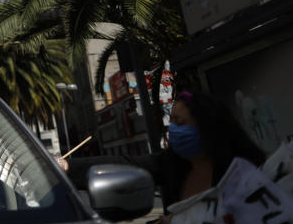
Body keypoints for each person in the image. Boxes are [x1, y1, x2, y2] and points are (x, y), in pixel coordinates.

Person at [65, 91, 265, 214]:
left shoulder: (246, 168)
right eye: (172, 122)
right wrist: (68, 166)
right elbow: (124, 164)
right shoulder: (172, 163)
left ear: (206, 126)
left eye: (180, 122)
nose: (173, 130)